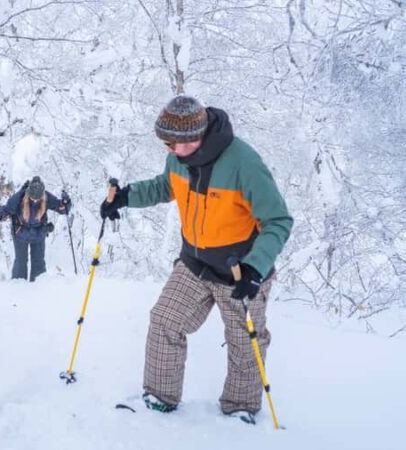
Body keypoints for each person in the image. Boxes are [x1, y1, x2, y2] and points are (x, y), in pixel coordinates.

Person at [100, 96, 293, 423]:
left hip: (240, 271)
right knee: (165, 320)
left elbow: (278, 220)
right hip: (195, 263)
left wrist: (255, 268)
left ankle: (240, 407)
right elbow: (166, 187)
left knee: (245, 342)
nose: (169, 150)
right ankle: (159, 398)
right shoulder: (177, 157)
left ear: (195, 137)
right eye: (165, 143)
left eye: (174, 143)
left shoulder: (243, 163)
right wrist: (126, 197)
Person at [0, 176, 71, 281]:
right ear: (28, 193)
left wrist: (66, 202)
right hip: (20, 232)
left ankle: (38, 286)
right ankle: (18, 285)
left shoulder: (47, 197)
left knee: (38, 262)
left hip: (38, 233)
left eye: (38, 199)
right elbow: (7, 210)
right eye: (32, 198)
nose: (35, 201)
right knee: (21, 261)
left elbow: (62, 209)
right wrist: (0, 214)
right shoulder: (18, 198)